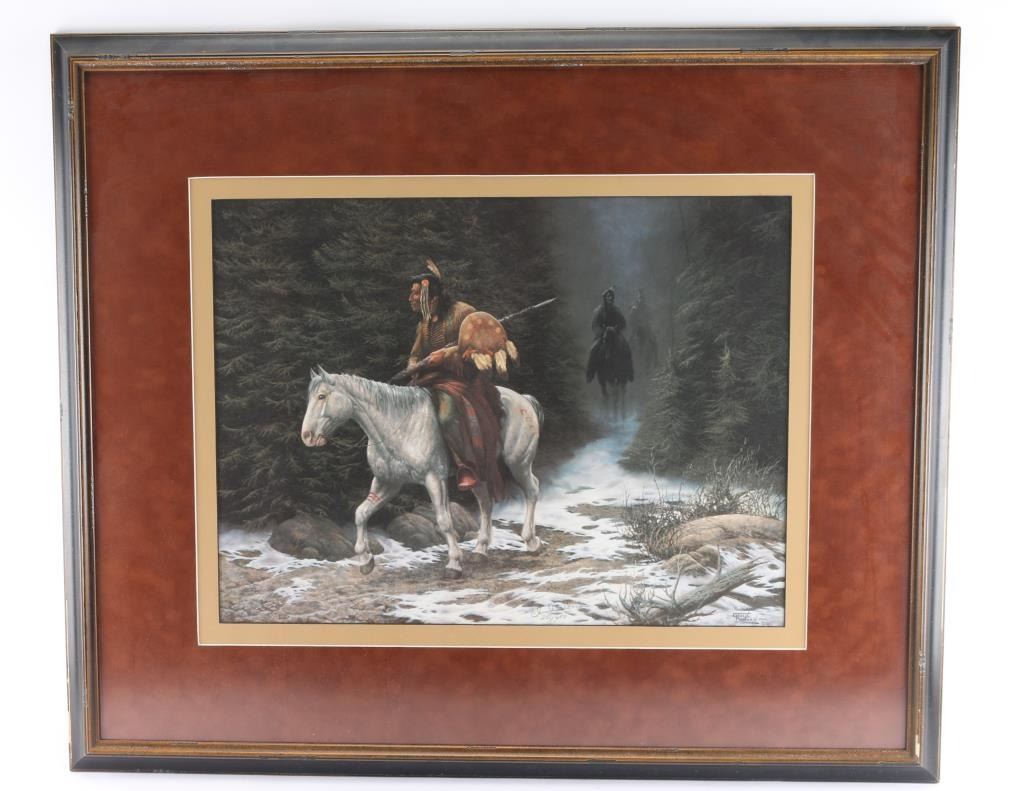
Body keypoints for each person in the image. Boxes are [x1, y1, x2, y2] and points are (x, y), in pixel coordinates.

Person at [403, 260, 507, 498]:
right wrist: (412, 366)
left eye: (415, 294)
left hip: (462, 378)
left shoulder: (464, 313)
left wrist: (446, 354)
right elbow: (415, 354)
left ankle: (464, 466)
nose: (410, 298)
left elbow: (477, 347)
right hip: (431, 378)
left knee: (446, 415)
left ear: (430, 296)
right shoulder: (424, 323)